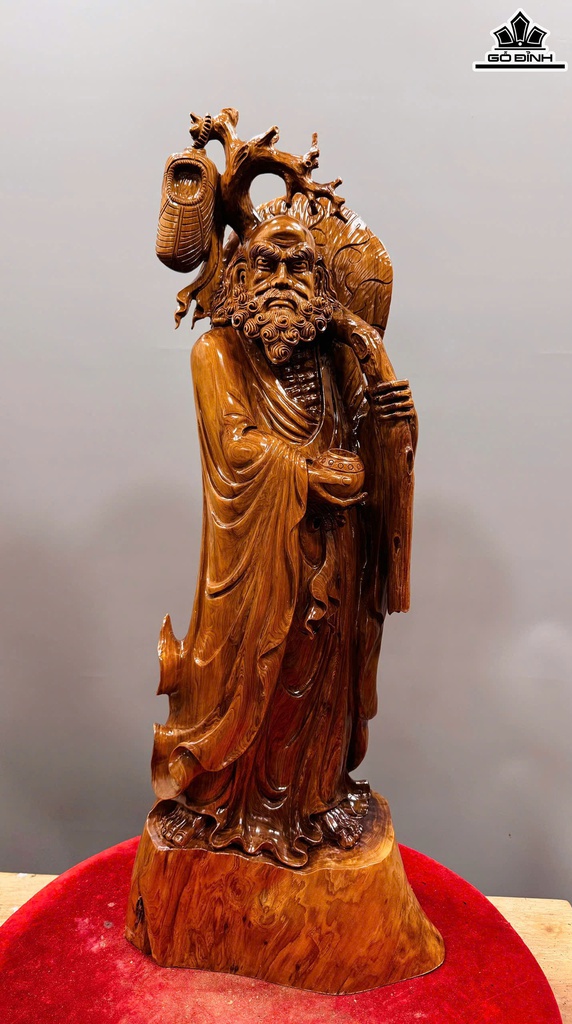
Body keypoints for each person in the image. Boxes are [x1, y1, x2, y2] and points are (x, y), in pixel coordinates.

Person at [151, 213, 415, 867]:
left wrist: (369, 355)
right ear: (240, 276)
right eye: (267, 264)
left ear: (321, 283)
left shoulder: (333, 362)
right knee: (260, 681)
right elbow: (237, 450)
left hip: (331, 559)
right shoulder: (216, 354)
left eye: (299, 266)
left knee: (315, 686)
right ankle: (235, 809)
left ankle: (309, 803)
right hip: (257, 561)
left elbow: (374, 446)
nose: (282, 280)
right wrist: (312, 473)